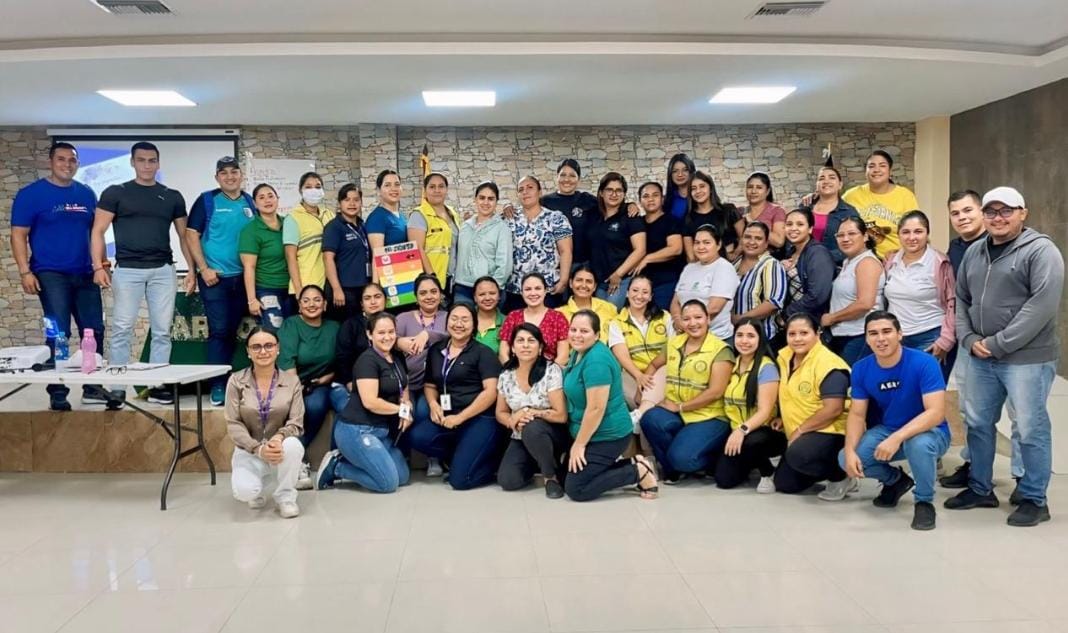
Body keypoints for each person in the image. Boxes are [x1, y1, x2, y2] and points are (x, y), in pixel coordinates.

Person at [946, 186, 1064, 527]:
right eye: (991, 211)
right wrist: (969, 338)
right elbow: (962, 298)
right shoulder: (975, 251)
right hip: (980, 355)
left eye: (1006, 211)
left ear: (1022, 213)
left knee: (1029, 426)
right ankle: (980, 488)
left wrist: (997, 344)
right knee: (978, 422)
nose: (998, 218)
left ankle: (1034, 498)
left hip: (1027, 358)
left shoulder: (1041, 251)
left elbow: (1041, 307)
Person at [92, 141, 194, 406]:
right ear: (132, 162)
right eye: (141, 160)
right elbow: (98, 231)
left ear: (158, 163)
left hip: (163, 270)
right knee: (122, 329)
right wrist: (98, 266)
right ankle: (117, 388)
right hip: (127, 271)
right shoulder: (116, 192)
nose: (147, 165)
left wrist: (192, 269)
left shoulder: (172, 196)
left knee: (162, 331)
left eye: (152, 160)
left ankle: (157, 386)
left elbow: (184, 236)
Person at [11, 141, 109, 411]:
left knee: (94, 331)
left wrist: (100, 264)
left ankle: (92, 387)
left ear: (78, 163)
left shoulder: (86, 193)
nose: (67, 164)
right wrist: (24, 271)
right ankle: (58, 390)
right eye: (61, 159)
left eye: (72, 160)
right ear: (50, 162)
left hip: (85, 273)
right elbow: (18, 235)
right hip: (50, 273)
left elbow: (96, 233)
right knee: (59, 333)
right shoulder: (31, 195)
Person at [940, 189, 1021, 489]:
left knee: (1020, 414)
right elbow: (959, 298)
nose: (962, 217)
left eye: (968, 211)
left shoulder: (1004, 243)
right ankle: (975, 465)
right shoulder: (956, 249)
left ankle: (1023, 475)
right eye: (955, 213)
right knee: (970, 410)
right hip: (970, 341)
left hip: (1014, 343)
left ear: (981, 212)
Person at [840, 311, 951, 530]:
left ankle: (924, 502)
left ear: (900, 334)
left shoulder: (925, 362)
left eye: (887, 331)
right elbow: (857, 414)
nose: (880, 338)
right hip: (888, 429)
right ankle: (896, 481)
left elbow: (936, 413)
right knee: (846, 459)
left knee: (918, 444)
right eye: (873, 333)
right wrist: (851, 450)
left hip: (931, 431)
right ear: (866, 339)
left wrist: (897, 438)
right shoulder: (861, 368)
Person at [563, 310, 659, 501]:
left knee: (576, 489)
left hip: (608, 435)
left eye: (584, 331)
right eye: (573, 330)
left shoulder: (596, 362)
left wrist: (579, 445)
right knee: (564, 476)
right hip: (588, 430)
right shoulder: (578, 351)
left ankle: (638, 471)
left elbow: (596, 409)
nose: (577, 335)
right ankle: (631, 463)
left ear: (597, 335)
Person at [407, 302, 504, 490]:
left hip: (479, 417)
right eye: (454, 319)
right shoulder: (436, 350)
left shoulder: (483, 352)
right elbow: (430, 385)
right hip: (449, 416)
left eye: (465, 320)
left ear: (474, 324)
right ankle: (461, 456)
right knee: (417, 436)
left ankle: (493, 466)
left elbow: (491, 392)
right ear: (447, 322)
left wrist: (460, 417)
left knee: (459, 481)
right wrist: (433, 404)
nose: (459, 324)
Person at [185, 156, 256, 405]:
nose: (229, 177)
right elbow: (191, 234)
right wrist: (203, 269)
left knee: (234, 332)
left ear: (241, 175)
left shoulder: (250, 202)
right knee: (220, 331)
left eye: (234, 171)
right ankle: (216, 384)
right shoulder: (207, 200)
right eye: (223, 173)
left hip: (243, 280)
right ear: (217, 177)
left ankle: (238, 384)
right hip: (215, 279)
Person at [316, 312, 412, 493]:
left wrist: (407, 406)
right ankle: (337, 467)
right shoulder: (367, 361)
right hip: (357, 429)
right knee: (388, 484)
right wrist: (402, 410)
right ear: (369, 334)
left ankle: (362, 461)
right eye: (381, 333)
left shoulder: (396, 357)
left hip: (380, 430)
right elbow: (370, 402)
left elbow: (404, 387)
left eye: (391, 332)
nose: (387, 337)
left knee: (403, 477)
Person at [640, 300, 734, 483]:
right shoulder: (674, 343)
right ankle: (672, 470)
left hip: (709, 416)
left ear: (708, 319)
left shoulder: (720, 350)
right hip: (679, 412)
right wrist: (643, 389)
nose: (693, 323)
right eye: (687, 319)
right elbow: (654, 364)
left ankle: (710, 460)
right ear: (681, 322)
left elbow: (716, 392)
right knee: (650, 419)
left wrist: (681, 407)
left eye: (698, 317)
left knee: (683, 459)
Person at [225, 327, 304, 519]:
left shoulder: (292, 381)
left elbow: (296, 421)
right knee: (245, 492)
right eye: (256, 347)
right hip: (249, 450)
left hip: (279, 448)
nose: (263, 351)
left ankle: (285, 497)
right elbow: (233, 423)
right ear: (248, 351)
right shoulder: (236, 380)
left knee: (293, 445)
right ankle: (259, 484)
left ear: (278, 348)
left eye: (269, 345)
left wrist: (279, 437)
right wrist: (258, 449)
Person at [773, 313, 853, 499]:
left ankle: (841, 476)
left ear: (817, 333)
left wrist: (800, 430)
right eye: (792, 334)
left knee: (799, 455)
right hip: (802, 431)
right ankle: (813, 463)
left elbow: (833, 409)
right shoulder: (784, 357)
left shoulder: (829, 364)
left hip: (832, 431)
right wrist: (780, 417)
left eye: (804, 333)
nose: (797, 339)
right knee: (785, 484)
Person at [277, 284, 346, 489]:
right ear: (299, 305)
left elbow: (343, 360)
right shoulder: (291, 325)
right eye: (306, 300)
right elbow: (287, 363)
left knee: (336, 405)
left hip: (324, 383)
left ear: (325, 305)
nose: (311, 304)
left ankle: (334, 459)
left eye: (317, 300)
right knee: (310, 406)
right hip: (294, 383)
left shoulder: (334, 328)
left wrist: (329, 377)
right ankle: (296, 457)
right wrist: (296, 393)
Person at [496, 324, 571, 497]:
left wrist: (528, 412)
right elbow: (501, 412)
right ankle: (541, 460)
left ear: (540, 347)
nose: (525, 345)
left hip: (551, 432)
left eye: (531, 341)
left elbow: (560, 415)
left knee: (533, 427)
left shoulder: (551, 371)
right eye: (520, 341)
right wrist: (513, 420)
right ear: (512, 348)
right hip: (520, 434)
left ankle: (550, 477)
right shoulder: (506, 375)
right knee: (508, 481)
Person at [883, 210, 956, 382]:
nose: (912, 237)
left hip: (931, 337)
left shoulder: (940, 262)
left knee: (928, 392)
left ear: (927, 233)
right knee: (902, 392)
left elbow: (952, 303)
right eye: (906, 232)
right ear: (898, 235)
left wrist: (946, 339)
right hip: (897, 340)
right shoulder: (891, 261)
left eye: (918, 231)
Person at [715, 318, 785, 492]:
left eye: (750, 336)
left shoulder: (766, 367)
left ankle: (768, 471)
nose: (744, 341)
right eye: (739, 335)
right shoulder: (732, 364)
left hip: (764, 432)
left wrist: (741, 430)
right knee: (724, 480)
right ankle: (751, 461)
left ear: (760, 339)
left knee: (752, 443)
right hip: (737, 430)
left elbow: (764, 411)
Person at [395, 274, 449, 476]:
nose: (429, 296)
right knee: (405, 412)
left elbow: (453, 335)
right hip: (406, 382)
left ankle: (433, 456)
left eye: (434, 292)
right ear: (416, 297)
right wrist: (398, 342)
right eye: (423, 293)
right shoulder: (403, 318)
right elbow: (386, 339)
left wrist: (427, 334)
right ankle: (402, 457)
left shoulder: (448, 317)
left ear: (441, 295)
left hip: (435, 384)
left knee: (424, 411)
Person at [609, 275, 670, 426]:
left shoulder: (664, 317)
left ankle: (639, 415)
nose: (639, 296)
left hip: (662, 371)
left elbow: (672, 349)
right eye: (635, 290)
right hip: (632, 373)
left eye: (645, 292)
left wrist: (647, 376)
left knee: (649, 402)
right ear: (627, 293)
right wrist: (639, 377)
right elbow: (622, 356)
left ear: (651, 297)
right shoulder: (617, 322)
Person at [823, 216, 885, 365]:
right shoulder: (848, 262)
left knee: (851, 378)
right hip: (844, 334)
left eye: (852, 233)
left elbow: (865, 304)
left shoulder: (867, 262)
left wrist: (831, 318)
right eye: (841, 235)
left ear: (865, 236)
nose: (845, 239)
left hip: (860, 335)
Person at [506, 175, 573, 309]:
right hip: (516, 289)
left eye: (530, 187)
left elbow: (565, 251)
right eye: (521, 189)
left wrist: (563, 280)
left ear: (540, 192)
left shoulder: (555, 218)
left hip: (548, 288)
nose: (525, 192)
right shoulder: (509, 218)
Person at [842, 150, 920, 259]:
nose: (876, 170)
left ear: (890, 171)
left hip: (897, 258)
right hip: (860, 258)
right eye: (871, 166)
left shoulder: (905, 196)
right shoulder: (851, 196)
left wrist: (901, 253)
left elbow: (916, 231)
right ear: (865, 171)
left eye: (882, 166)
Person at [587, 172, 646, 309]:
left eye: (619, 190)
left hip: (621, 280)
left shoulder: (631, 216)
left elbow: (640, 250)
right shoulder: (594, 215)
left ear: (624, 194)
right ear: (601, 193)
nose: (614, 194)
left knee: (611, 313)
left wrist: (618, 274)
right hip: (599, 281)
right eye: (609, 190)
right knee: (600, 316)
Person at [671, 224, 739, 342]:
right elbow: (675, 302)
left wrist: (688, 323)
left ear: (718, 245)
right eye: (697, 243)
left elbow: (714, 307)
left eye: (706, 242)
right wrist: (678, 321)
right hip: (685, 337)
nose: (701, 247)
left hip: (716, 338)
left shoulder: (724, 268)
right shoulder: (689, 268)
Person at [240, 184, 291, 329]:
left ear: (277, 199)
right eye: (261, 198)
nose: (267, 200)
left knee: (292, 332)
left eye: (270, 196)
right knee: (273, 331)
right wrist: (252, 300)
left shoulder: (289, 224)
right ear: (255, 203)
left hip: (291, 289)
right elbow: (249, 267)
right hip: (267, 289)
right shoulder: (250, 230)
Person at [454, 181, 513, 304]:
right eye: (482, 198)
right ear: (475, 199)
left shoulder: (502, 228)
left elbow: (505, 265)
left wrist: (491, 289)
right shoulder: (465, 226)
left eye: (491, 199)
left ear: (496, 202)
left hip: (489, 291)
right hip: (462, 289)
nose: (486, 202)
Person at [499, 273, 570, 366]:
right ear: (522, 293)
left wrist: (549, 373)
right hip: (516, 369)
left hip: (549, 371)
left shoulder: (558, 318)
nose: (533, 293)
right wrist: (512, 370)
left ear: (545, 291)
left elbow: (563, 356)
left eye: (538, 288)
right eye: (528, 289)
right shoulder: (513, 317)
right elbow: (503, 353)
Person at [282, 171, 335, 297]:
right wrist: (298, 289)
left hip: (330, 284)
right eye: (308, 187)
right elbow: (290, 256)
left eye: (318, 187)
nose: (314, 190)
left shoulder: (329, 215)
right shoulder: (293, 218)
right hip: (306, 285)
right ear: (300, 190)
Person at [322, 183, 371, 320]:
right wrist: (337, 289)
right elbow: (328, 259)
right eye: (347, 200)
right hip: (343, 291)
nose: (352, 204)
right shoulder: (334, 227)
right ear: (339, 203)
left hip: (362, 287)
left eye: (356, 200)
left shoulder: (362, 225)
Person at [632, 181, 684, 308]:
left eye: (655, 195)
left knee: (660, 317)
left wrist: (648, 258)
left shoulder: (671, 221)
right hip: (641, 284)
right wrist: (629, 206)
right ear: (640, 201)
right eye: (646, 196)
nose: (650, 199)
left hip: (665, 282)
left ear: (662, 199)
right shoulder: (637, 223)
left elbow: (676, 248)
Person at [732, 222, 787, 342]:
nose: (752, 242)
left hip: (762, 338)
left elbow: (773, 304)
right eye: (747, 237)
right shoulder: (734, 264)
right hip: (735, 337)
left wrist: (740, 319)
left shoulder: (771, 265)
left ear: (766, 243)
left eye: (758, 238)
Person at [798, 165, 862, 267]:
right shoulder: (805, 206)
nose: (826, 181)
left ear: (840, 185)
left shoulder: (849, 212)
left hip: (834, 265)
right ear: (817, 185)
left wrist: (822, 257)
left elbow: (855, 243)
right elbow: (793, 233)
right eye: (821, 178)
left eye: (832, 178)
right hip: (802, 262)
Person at [781, 208, 835, 327]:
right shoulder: (791, 252)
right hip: (794, 322)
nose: (793, 228)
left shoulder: (818, 253)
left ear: (810, 229)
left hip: (812, 323)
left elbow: (817, 296)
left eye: (800, 224)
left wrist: (786, 314)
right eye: (789, 224)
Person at [408, 172, 462, 289]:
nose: (437, 190)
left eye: (441, 186)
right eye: (432, 187)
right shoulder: (419, 215)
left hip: (453, 279)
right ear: (425, 190)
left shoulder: (452, 213)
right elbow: (417, 250)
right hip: (432, 281)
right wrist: (432, 278)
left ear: (446, 190)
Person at [334, 282, 387, 390]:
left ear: (385, 300)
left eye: (377, 297)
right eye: (367, 298)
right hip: (354, 381)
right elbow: (342, 358)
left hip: (385, 380)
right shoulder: (350, 325)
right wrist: (349, 382)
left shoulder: (393, 322)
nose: (373, 302)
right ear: (362, 304)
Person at [683, 171, 744, 261]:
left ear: (711, 188)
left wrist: (734, 255)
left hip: (733, 264)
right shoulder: (688, 218)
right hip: (702, 266)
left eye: (702, 186)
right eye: (693, 188)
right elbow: (691, 256)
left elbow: (744, 237)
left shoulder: (729, 210)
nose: (698, 191)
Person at [558, 265, 618, 343]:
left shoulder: (609, 308)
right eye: (579, 280)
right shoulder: (559, 314)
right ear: (570, 283)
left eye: (589, 281)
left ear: (595, 286)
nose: (584, 285)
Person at [365, 170, 406, 284]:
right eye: (387, 185)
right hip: (388, 281)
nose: (393, 189)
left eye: (397, 184)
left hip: (404, 276)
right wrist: (376, 287)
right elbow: (377, 256)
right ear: (379, 190)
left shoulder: (402, 217)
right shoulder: (377, 218)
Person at [741, 172, 787, 254]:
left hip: (768, 258)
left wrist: (752, 222)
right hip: (743, 257)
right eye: (750, 187)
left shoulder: (777, 210)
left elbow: (779, 241)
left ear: (767, 191)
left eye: (759, 187)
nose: (753, 191)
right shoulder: (740, 211)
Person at [471, 276, 506, 354]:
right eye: (482, 294)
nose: (487, 298)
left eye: (492, 293)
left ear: (499, 296)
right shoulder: (465, 319)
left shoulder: (507, 322)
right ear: (475, 298)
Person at [664, 153, 695, 220]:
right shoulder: (666, 200)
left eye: (685, 170)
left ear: (691, 171)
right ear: (670, 174)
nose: (680, 174)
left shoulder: (699, 196)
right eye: (675, 171)